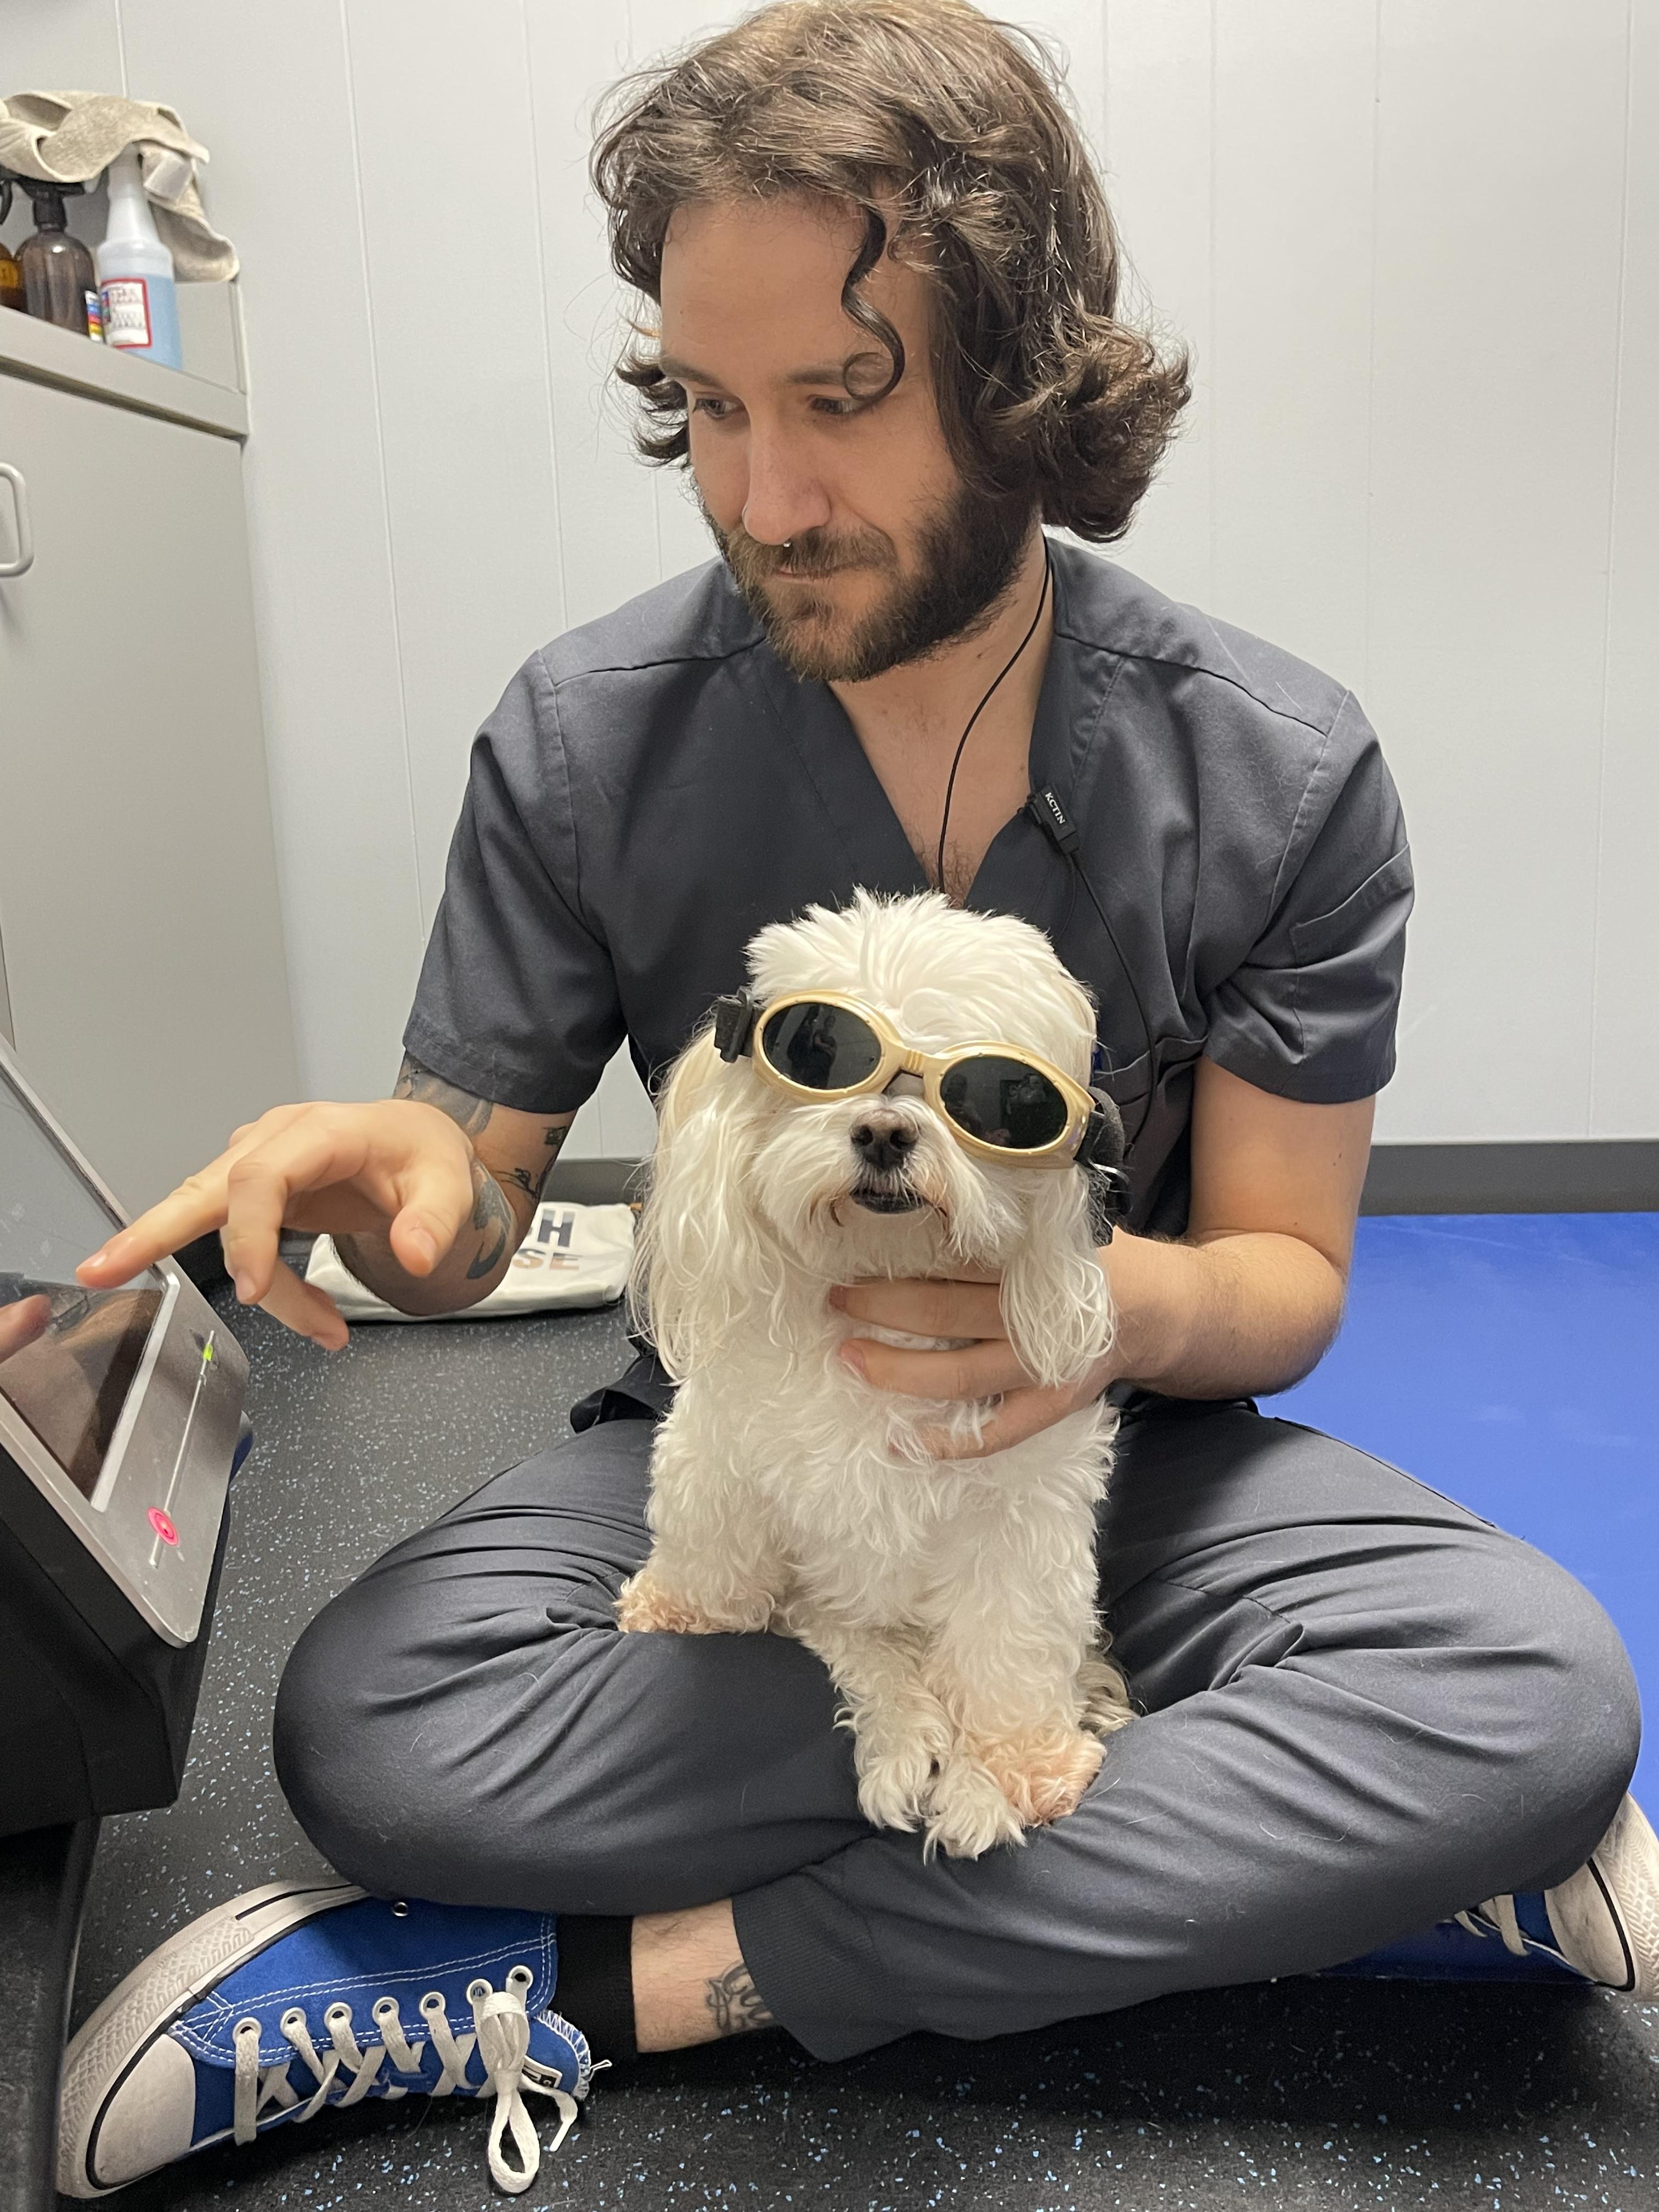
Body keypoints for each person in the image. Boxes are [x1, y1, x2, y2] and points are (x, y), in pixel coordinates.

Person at [59, 0, 1655, 2197]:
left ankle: (621, 1985)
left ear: (1022, 374)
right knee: (371, 1726)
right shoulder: (587, 737)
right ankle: (1286, 1855)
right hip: (740, 1446)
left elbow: (1282, 1281)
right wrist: (393, 1179)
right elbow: (476, 1196)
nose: (762, 496)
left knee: (1539, 1698)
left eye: (840, 399)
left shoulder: (1276, 773)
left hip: (1119, 1457)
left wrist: (1077, 1321)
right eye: (708, 407)